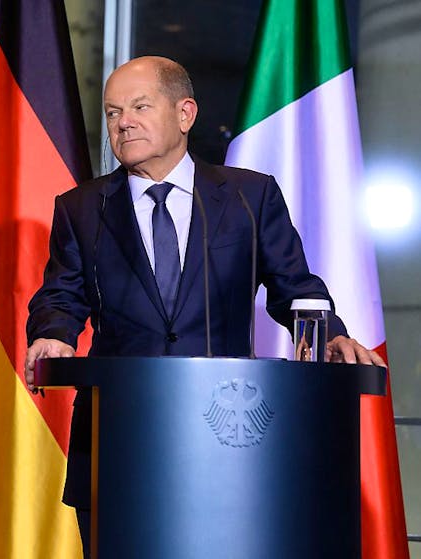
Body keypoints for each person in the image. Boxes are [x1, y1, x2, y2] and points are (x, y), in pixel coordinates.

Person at [23, 56, 385, 550]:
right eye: (112, 112)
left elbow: (295, 286)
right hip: (118, 445)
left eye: (140, 106)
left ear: (185, 113)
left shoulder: (248, 197)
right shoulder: (81, 208)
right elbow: (61, 296)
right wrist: (51, 334)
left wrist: (333, 334)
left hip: (228, 445)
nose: (123, 121)